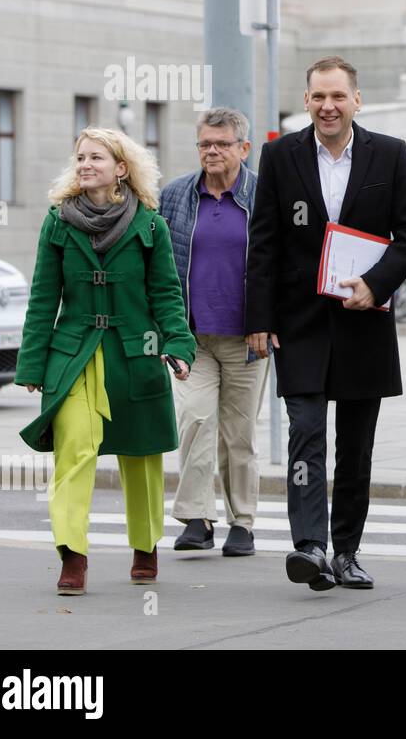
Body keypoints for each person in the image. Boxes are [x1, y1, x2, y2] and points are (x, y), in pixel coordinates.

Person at [245, 56, 406, 592]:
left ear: (356, 100)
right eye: (318, 97)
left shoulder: (388, 155)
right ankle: (311, 546)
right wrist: (258, 317)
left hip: (363, 324)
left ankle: (346, 551)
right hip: (299, 323)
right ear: (306, 101)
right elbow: (265, 242)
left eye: (338, 97)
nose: (328, 107)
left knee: (356, 446)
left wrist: (379, 282)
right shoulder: (280, 156)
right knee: (305, 433)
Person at [14, 128, 195, 595]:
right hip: (73, 356)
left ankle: (145, 545)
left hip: (136, 352)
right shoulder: (58, 221)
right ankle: (72, 555)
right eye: (80, 157)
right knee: (73, 452)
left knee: (141, 454)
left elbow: (166, 293)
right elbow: (42, 298)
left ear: (121, 168)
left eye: (96, 157)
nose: (85, 164)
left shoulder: (150, 224)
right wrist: (32, 365)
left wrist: (178, 342)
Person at [159, 108, 265, 557]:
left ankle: (242, 521)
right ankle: (198, 518)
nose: (212, 151)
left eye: (222, 144)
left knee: (238, 433)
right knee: (195, 421)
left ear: (243, 148)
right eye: (205, 144)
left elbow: (278, 265)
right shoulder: (176, 195)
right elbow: (160, 267)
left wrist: (268, 320)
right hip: (192, 337)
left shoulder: (263, 194)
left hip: (247, 339)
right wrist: (166, 330)